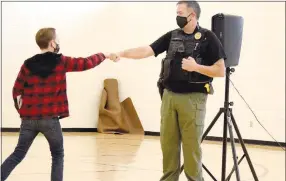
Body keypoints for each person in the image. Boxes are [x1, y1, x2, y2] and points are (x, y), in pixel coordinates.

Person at [115, 1, 226, 181]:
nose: (178, 16)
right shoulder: (172, 36)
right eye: (177, 12)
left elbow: (220, 70)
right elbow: (147, 50)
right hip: (169, 97)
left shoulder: (208, 38)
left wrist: (196, 67)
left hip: (193, 99)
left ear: (193, 16)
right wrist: (122, 53)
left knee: (191, 149)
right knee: (168, 146)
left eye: (181, 13)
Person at [1, 27, 117, 181]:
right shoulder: (61, 62)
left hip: (28, 120)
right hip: (50, 120)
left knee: (18, 154)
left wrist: (23, 112)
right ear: (53, 43)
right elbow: (86, 63)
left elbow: (16, 91)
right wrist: (105, 55)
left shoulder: (27, 64)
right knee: (57, 155)